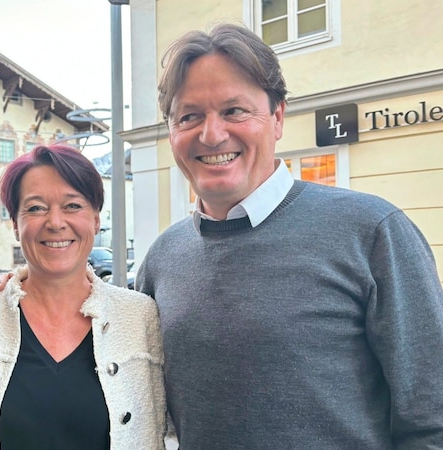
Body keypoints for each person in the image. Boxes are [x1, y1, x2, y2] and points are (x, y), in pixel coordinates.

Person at [135, 23, 443, 448]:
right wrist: (16, 301)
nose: (211, 134)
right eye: (189, 116)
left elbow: (431, 420)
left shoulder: (372, 232)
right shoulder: (162, 259)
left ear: (278, 117)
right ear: (171, 131)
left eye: (234, 110)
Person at [0, 145, 167, 450]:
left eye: (72, 206)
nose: (55, 222)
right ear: (15, 225)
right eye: (36, 208)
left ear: (95, 219)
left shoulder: (141, 317)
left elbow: (174, 421)